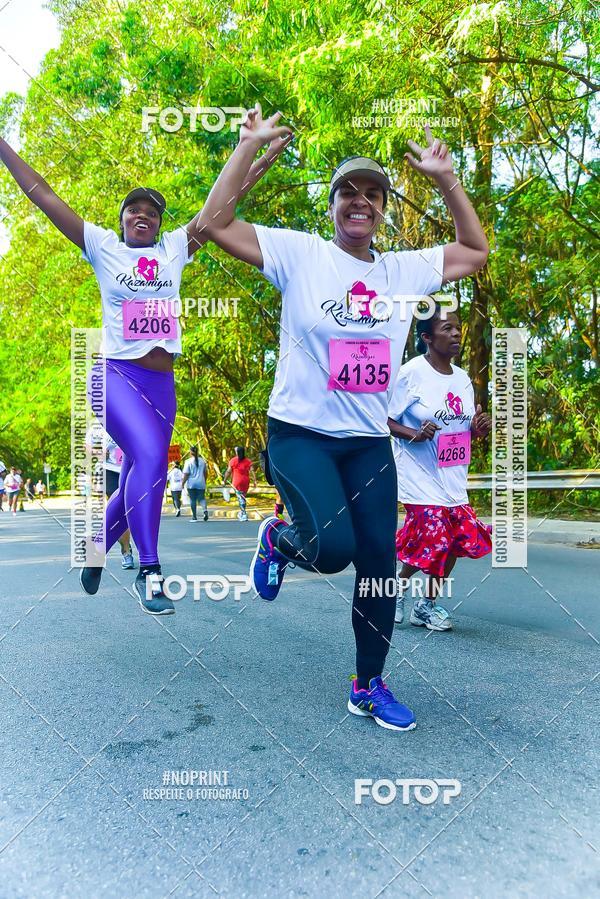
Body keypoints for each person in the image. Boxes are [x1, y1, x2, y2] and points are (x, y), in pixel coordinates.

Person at [201, 106, 489, 731]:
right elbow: (213, 222)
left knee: (379, 565)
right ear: (331, 206)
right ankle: (280, 538)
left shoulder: (403, 271)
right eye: (348, 193)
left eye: (373, 195)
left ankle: (369, 683)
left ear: (384, 209)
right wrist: (246, 147)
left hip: (365, 443)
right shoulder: (298, 254)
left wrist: (446, 179)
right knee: (331, 551)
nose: (360, 202)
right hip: (300, 435)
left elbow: (475, 249)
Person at [0, 129, 289, 614]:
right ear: (120, 221)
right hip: (114, 376)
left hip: (161, 383)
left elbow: (224, 206)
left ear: (159, 224)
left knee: (143, 467)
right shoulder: (101, 248)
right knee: (153, 460)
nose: (143, 215)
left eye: (152, 211)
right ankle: (151, 570)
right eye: (134, 209)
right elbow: (44, 194)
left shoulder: (176, 248)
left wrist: (259, 155)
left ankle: (96, 545)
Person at [389, 305, 492, 631]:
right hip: (417, 474)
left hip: (451, 475)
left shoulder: (462, 379)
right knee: (434, 537)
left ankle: (426, 605)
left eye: (457, 328)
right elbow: (384, 419)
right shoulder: (411, 373)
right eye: (447, 329)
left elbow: (462, 428)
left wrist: (478, 428)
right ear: (427, 337)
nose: (456, 334)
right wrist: (413, 434)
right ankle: (397, 586)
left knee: (457, 541)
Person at [223, 446, 256, 521]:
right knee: (242, 497)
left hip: (236, 482)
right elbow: (252, 471)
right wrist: (254, 480)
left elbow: (228, 471)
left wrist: (225, 480)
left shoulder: (233, 460)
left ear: (237, 452)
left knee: (241, 498)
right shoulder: (248, 461)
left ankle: (244, 514)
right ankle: (242, 513)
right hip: (245, 482)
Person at [182, 446, 208, 521]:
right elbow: (206, 473)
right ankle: (205, 510)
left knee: (193, 499)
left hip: (191, 484)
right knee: (202, 498)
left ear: (190, 452)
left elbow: (186, 474)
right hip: (201, 482)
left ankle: (194, 517)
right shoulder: (202, 461)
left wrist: (183, 483)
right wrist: (204, 480)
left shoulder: (188, 462)